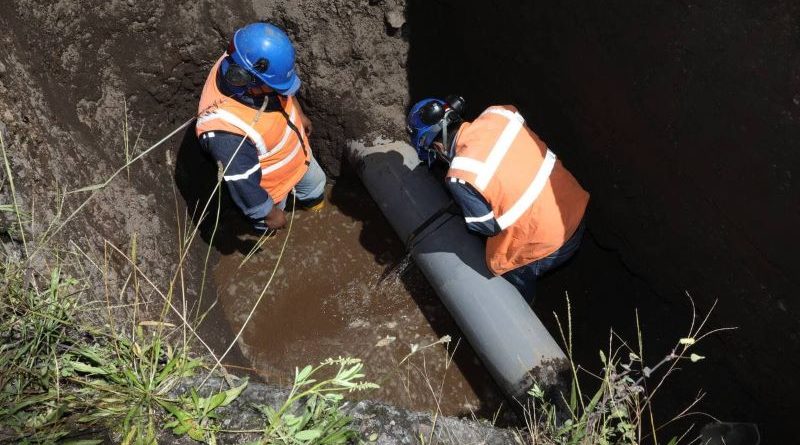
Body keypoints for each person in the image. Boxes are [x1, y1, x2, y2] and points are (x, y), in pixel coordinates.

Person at [406, 96, 589, 302]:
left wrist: (466, 204)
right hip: (574, 204)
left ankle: (520, 312)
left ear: (437, 147)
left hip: (550, 242)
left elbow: (488, 228)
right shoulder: (500, 113)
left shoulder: (460, 176)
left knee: (504, 266)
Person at [195, 22, 325, 233]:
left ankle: (318, 211)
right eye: (274, 87)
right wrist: (269, 213)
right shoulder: (226, 133)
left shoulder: (244, 55)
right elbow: (242, 181)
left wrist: (299, 114)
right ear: (244, 79)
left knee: (316, 187)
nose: (280, 91)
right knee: (271, 228)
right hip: (273, 192)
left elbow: (282, 88)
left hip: (300, 157)